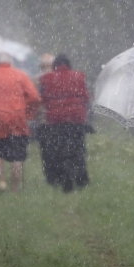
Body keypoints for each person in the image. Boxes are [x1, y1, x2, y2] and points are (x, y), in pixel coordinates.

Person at [0, 52, 41, 192]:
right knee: (17, 153)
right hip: (17, 116)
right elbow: (35, 97)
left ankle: (1, 181)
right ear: (11, 62)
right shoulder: (20, 75)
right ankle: (15, 188)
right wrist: (28, 113)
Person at [39, 54, 90, 192]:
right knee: (77, 149)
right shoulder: (78, 76)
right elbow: (85, 96)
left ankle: (64, 179)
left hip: (55, 120)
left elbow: (42, 99)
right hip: (76, 119)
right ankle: (80, 179)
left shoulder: (46, 79)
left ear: (54, 65)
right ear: (69, 64)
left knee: (58, 150)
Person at [34, 53, 56, 186]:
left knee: (46, 150)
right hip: (58, 119)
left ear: (40, 66)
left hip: (42, 119)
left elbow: (32, 99)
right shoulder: (60, 78)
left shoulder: (35, 80)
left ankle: (50, 176)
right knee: (58, 148)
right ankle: (60, 174)